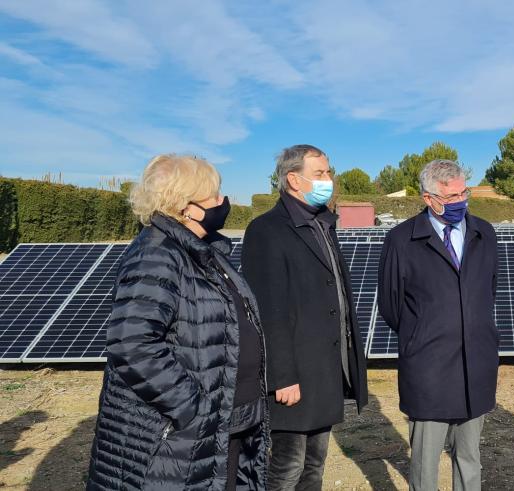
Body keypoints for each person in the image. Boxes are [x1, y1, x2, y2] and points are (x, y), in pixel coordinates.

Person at [88, 154, 268, 490]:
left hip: (226, 420)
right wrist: (192, 407)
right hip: (183, 435)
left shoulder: (202, 251)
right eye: (214, 195)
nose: (223, 202)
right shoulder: (157, 255)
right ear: (186, 207)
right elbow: (132, 344)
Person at [242, 144, 368, 490]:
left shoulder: (322, 223)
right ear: (293, 180)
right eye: (320, 174)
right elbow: (267, 310)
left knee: (315, 464)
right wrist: (282, 376)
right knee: (287, 465)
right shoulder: (267, 231)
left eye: (328, 172)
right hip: (293, 374)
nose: (329, 180)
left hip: (323, 368)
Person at [377, 159, 499, 491]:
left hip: (476, 365)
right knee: (424, 464)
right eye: (450, 197)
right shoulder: (402, 240)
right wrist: (425, 334)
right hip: (428, 368)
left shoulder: (483, 233)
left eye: (464, 193)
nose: (460, 202)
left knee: (469, 456)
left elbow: (489, 290)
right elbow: (391, 305)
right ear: (428, 198)